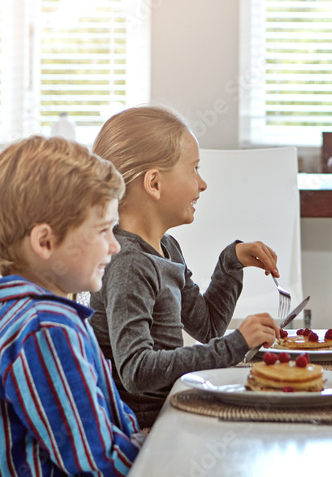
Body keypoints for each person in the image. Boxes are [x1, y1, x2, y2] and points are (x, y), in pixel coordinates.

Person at [88, 105, 281, 427]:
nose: (202, 184)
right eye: (194, 170)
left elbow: (206, 328)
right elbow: (136, 370)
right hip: (143, 430)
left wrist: (230, 264)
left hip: (170, 413)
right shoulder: (129, 265)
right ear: (154, 183)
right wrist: (236, 344)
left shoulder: (166, 248)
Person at [0, 136, 144, 475]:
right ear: (45, 242)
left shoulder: (41, 320)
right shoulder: (45, 331)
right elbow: (98, 466)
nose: (114, 246)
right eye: (103, 230)